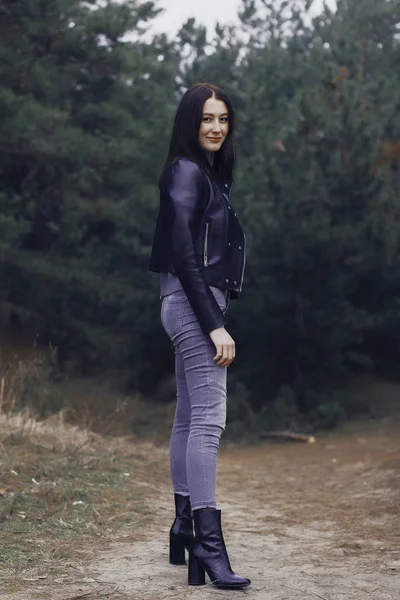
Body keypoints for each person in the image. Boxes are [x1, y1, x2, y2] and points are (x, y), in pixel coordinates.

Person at [149, 82, 250, 590]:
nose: (215, 127)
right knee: (210, 420)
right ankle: (208, 543)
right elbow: (185, 253)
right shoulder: (187, 171)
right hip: (195, 303)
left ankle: (185, 527)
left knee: (189, 417)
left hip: (183, 300)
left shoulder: (197, 174)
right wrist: (214, 322)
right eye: (206, 118)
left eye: (223, 119)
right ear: (190, 123)